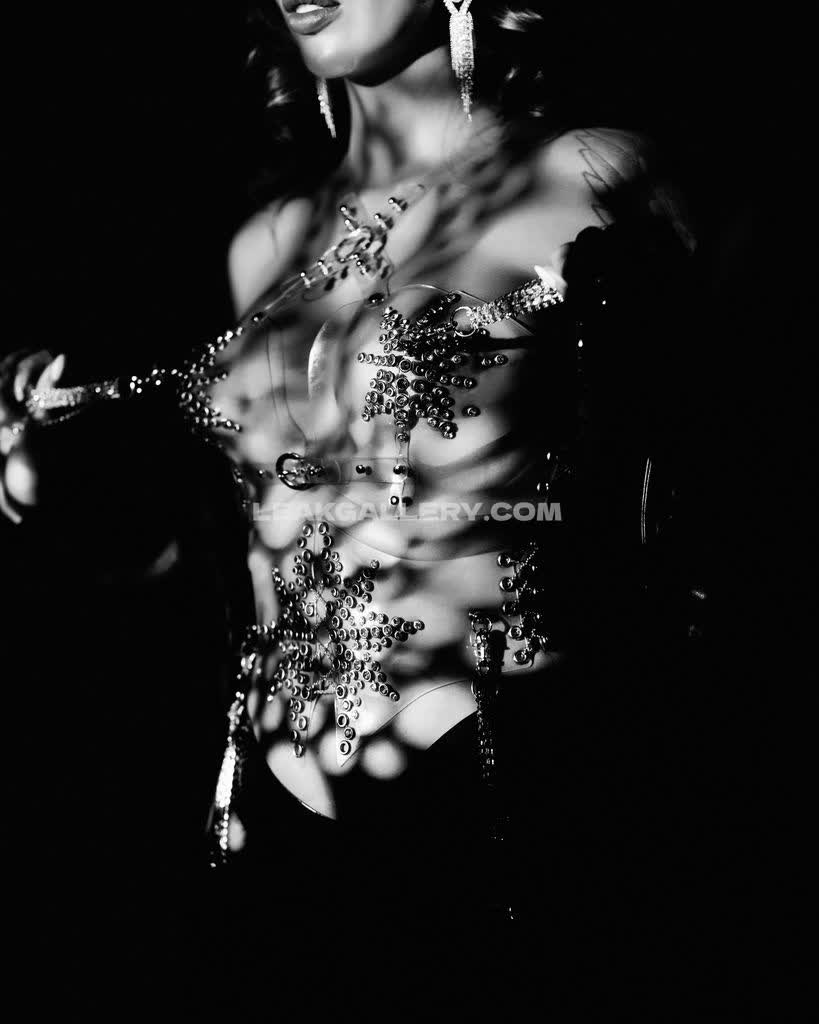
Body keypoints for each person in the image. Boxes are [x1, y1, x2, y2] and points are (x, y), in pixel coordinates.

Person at [2, 0, 700, 1008]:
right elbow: (235, 543)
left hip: (492, 797)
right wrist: (46, 481)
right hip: (268, 816)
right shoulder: (264, 241)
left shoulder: (584, 176)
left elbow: (723, 483)